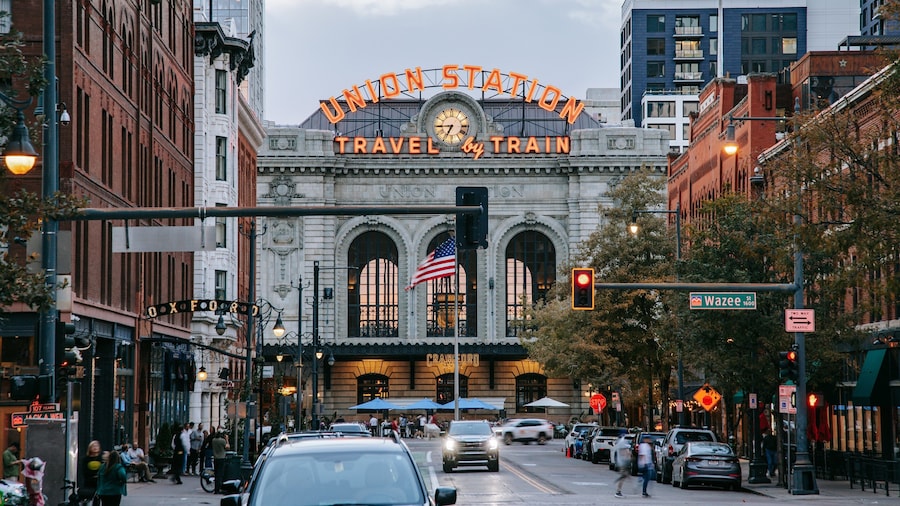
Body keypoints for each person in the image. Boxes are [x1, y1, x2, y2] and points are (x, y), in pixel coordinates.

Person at [81, 440, 104, 506]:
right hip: (89, 481)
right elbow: (84, 470)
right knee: (89, 498)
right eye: (93, 446)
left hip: (100, 482)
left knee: (98, 498)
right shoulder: (86, 459)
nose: (95, 447)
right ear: (90, 448)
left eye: (96, 446)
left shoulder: (101, 458)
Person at [613, 432, 632, 498]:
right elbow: (624, 452)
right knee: (623, 476)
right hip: (623, 462)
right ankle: (618, 492)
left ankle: (619, 490)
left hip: (622, 462)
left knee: (624, 476)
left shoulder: (620, 442)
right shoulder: (623, 442)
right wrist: (628, 455)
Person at [211, 428, 229, 494]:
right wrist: (227, 439)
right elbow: (227, 447)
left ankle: (216, 489)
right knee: (220, 474)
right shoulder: (222, 441)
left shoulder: (213, 440)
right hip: (221, 458)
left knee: (216, 474)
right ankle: (219, 488)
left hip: (216, 458)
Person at [637, 434, 653, 498]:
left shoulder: (647, 446)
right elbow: (642, 455)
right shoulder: (643, 446)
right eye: (647, 439)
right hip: (645, 464)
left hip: (648, 463)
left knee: (647, 478)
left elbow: (649, 455)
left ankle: (641, 480)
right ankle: (644, 491)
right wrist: (642, 463)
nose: (649, 440)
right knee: (647, 478)